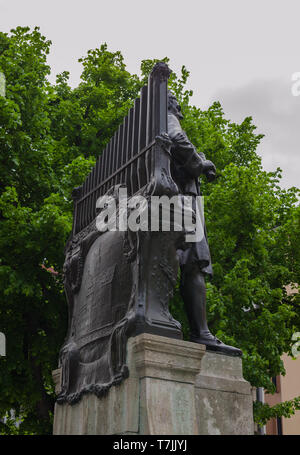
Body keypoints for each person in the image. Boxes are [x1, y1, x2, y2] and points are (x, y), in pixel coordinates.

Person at [167, 91, 242, 356]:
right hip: (184, 201)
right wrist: (200, 163)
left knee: (181, 262)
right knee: (195, 263)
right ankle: (201, 333)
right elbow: (177, 138)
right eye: (175, 101)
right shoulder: (166, 116)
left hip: (166, 201)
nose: (179, 106)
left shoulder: (147, 126)